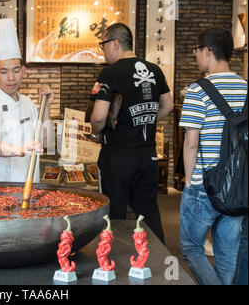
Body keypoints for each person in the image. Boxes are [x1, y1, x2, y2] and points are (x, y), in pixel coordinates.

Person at [89, 23, 173, 243]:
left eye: (103, 45)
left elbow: (98, 117)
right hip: (148, 156)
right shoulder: (155, 70)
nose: (103, 50)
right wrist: (144, 120)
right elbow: (167, 105)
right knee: (148, 214)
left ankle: (113, 265)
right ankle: (159, 269)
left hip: (117, 158)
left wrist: (94, 133)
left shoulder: (110, 73)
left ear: (114, 44)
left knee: (114, 215)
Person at [179, 28, 247, 285]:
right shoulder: (246, 88)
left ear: (207, 51)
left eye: (196, 51)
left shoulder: (198, 90)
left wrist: (188, 181)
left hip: (204, 184)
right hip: (240, 185)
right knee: (227, 252)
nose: (196, 56)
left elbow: (191, 142)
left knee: (190, 247)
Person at [0, 18, 55, 182]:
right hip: (0, 186)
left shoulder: (28, 103)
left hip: (30, 183)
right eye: (4, 71)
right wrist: (19, 149)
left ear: (23, 71)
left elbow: (46, 142)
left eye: (16, 70)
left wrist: (45, 108)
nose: (11, 77)